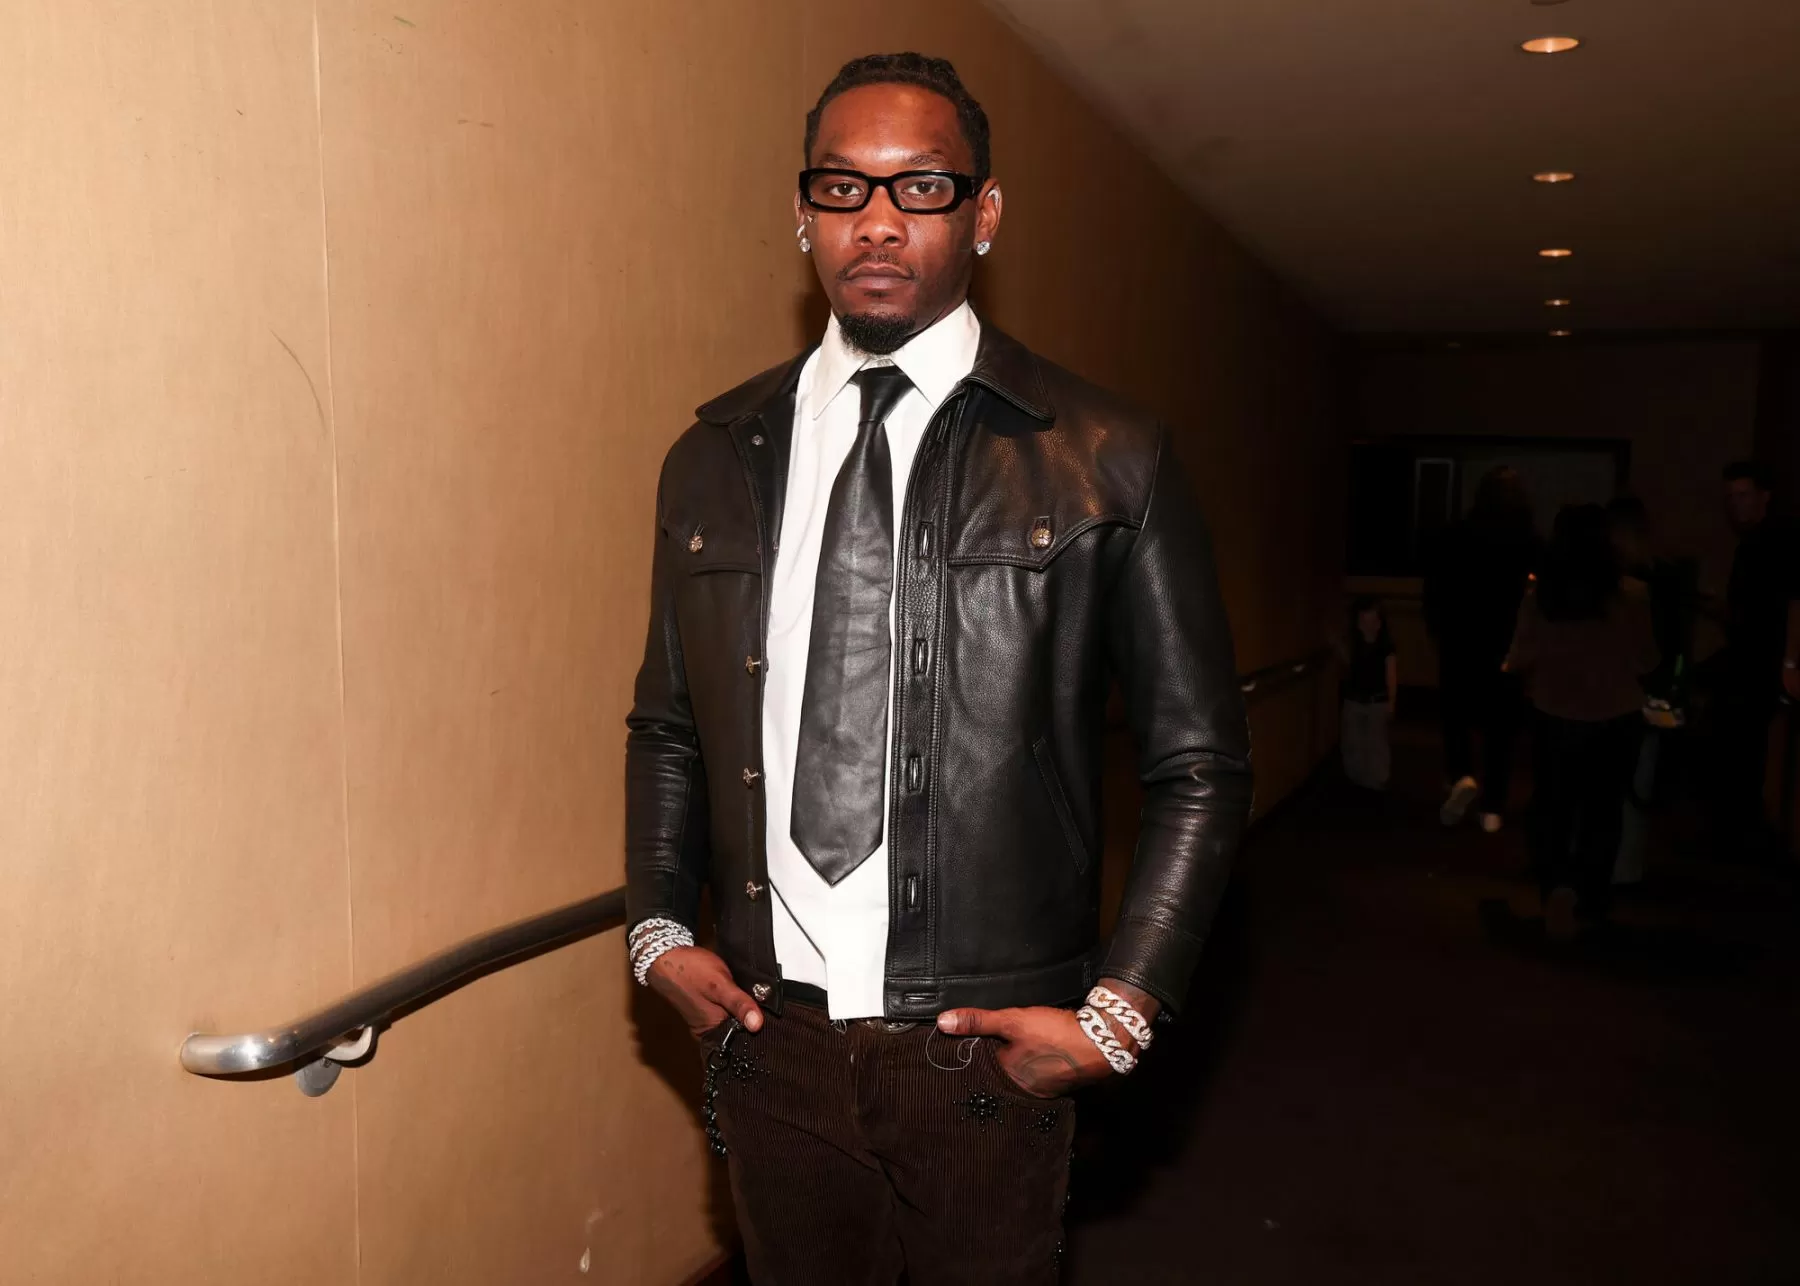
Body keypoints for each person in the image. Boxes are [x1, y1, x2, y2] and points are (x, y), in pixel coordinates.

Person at [622, 53, 1251, 1285]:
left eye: (921, 188)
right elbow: (668, 722)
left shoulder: (1107, 457)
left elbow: (1201, 765)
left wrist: (1123, 1008)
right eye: (843, 188)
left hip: (981, 1050)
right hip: (768, 1033)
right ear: (801, 211)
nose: (877, 223)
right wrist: (655, 926)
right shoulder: (712, 457)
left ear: (984, 213)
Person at [1506, 505, 1659, 940]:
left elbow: (1521, 655)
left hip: (1555, 713)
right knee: (1604, 811)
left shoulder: (1541, 597)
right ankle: (1592, 898)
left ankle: (1556, 886)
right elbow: (1646, 659)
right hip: (1616, 717)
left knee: (1553, 806)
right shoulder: (1632, 594)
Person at [1423, 466, 1539, 833]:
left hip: (1460, 641)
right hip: (1506, 645)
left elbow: (1434, 590)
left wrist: (1439, 630)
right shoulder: (1527, 542)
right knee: (1501, 730)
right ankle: (1493, 807)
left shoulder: (1455, 536)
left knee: (1456, 714)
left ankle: (1461, 774)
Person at [1698, 461, 1800, 862]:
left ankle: (1739, 834)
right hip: (1752, 659)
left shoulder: (1777, 540)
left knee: (1744, 747)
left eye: (1742, 495)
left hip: (1761, 662)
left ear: (1764, 495)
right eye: (1730, 498)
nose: (1735, 505)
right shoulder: (1755, 543)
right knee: (1739, 746)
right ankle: (1735, 832)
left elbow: (1791, 603)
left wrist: (1789, 663)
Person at [1604, 496, 1697, 886]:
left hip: (1619, 692)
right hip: (1654, 692)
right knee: (1637, 784)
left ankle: (1608, 865)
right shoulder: (1667, 576)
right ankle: (1626, 867)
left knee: (1612, 784)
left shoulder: (1620, 583)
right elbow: (1675, 643)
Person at [1339, 595, 1397, 790]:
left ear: (1379, 623)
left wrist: (1391, 702)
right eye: (1363, 621)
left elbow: (1391, 675)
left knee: (1376, 741)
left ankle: (1377, 779)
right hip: (1354, 700)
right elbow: (1349, 666)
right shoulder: (1355, 645)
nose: (1368, 626)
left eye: (1372, 621)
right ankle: (1357, 777)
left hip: (1376, 701)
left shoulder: (1385, 647)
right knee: (1353, 740)